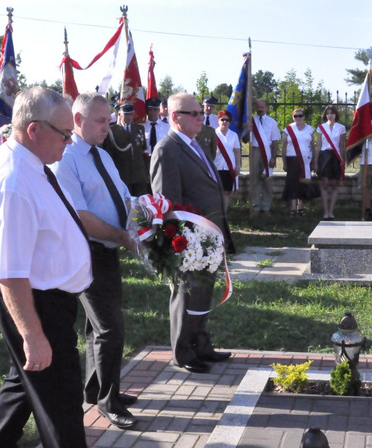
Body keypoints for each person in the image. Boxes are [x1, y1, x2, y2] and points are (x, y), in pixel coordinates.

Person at [0, 86, 134, 448]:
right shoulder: (13, 182)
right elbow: (10, 272)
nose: (69, 141)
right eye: (64, 133)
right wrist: (33, 334)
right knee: (60, 388)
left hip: (46, 294)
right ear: (33, 129)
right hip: (32, 299)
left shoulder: (31, 162)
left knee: (25, 378)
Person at [50, 92, 139, 430]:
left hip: (107, 250)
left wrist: (147, 217)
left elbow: (123, 197)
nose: (108, 126)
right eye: (100, 121)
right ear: (78, 120)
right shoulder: (66, 158)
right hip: (85, 252)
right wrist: (121, 236)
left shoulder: (101, 154)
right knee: (109, 327)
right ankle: (109, 401)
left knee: (97, 326)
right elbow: (80, 216)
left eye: (109, 120)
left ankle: (95, 389)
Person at [150, 92, 235, 374]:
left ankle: (200, 344)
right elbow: (168, 201)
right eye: (195, 114)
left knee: (203, 293)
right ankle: (183, 350)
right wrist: (180, 241)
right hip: (189, 239)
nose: (201, 117)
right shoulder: (167, 149)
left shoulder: (194, 143)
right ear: (176, 117)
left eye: (201, 113)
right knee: (186, 293)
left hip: (208, 235)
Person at [103, 103, 150, 196]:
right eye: (126, 114)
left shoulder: (139, 129)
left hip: (139, 176)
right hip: (122, 176)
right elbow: (109, 156)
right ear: (119, 115)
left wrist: (147, 172)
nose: (129, 117)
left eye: (131, 114)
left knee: (142, 201)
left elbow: (144, 152)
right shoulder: (112, 131)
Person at [245, 99, 280, 216]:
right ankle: (255, 206)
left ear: (266, 108)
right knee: (254, 180)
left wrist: (273, 157)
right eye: (258, 107)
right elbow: (245, 140)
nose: (260, 109)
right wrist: (247, 131)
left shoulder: (272, 122)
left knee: (267, 181)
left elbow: (275, 141)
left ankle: (266, 207)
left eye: (262, 107)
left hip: (268, 152)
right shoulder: (251, 121)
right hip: (254, 151)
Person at [314, 105, 346, 221]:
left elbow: (342, 145)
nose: (330, 115)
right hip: (324, 157)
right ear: (325, 115)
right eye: (327, 113)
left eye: (332, 113)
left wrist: (343, 160)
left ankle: (331, 211)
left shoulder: (341, 128)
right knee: (324, 184)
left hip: (336, 157)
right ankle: (325, 211)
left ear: (336, 115)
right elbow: (318, 145)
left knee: (334, 184)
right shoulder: (321, 128)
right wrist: (316, 161)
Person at [281, 107, 315, 216]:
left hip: (306, 160)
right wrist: (284, 162)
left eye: (300, 116)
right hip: (292, 159)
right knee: (292, 183)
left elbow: (312, 145)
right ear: (293, 117)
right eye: (296, 116)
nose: (298, 118)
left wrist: (314, 160)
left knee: (303, 183)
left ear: (304, 117)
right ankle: (292, 208)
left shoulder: (310, 129)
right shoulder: (288, 129)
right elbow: (283, 147)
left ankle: (300, 207)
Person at [213, 109, 241, 211]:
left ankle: (224, 213)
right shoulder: (213, 134)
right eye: (222, 119)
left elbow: (237, 152)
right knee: (216, 191)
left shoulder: (234, 135)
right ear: (218, 120)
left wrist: (238, 166)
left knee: (226, 192)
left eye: (227, 120)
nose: (225, 122)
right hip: (216, 167)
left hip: (229, 167)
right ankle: (216, 212)